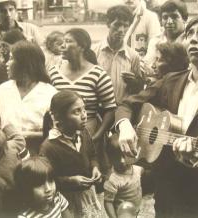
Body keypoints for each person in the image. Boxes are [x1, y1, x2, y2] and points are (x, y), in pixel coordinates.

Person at [115, 15, 198, 218]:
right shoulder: (171, 80)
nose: (193, 39)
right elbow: (128, 103)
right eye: (190, 34)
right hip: (164, 187)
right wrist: (125, 125)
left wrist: (195, 158)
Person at [48, 28, 116, 155]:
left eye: (68, 41)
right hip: (59, 139)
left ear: (82, 46)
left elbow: (110, 109)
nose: (62, 46)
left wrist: (96, 137)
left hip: (88, 135)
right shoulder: (54, 72)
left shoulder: (98, 75)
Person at [39, 90, 102, 218]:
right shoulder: (49, 147)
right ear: (59, 118)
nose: (84, 115)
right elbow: (47, 180)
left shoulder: (84, 133)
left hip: (88, 195)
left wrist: (95, 167)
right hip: (67, 202)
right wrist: (70, 181)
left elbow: (92, 155)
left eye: (84, 109)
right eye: (76, 111)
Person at [0, 41, 57, 155]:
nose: (7, 63)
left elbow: (57, 132)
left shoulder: (50, 94)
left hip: (40, 154)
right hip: (7, 152)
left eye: (12, 59)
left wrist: (27, 136)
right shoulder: (2, 90)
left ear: (26, 64)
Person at [92, 5, 144, 104]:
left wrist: (134, 82)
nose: (121, 30)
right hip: (98, 109)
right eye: (117, 24)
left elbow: (138, 89)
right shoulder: (94, 51)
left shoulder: (133, 56)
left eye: (125, 26)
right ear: (108, 24)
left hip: (121, 109)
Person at [103, 134, 143, 218]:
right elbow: (108, 202)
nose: (122, 161)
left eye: (124, 155)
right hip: (122, 214)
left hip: (134, 211)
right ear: (111, 159)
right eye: (117, 157)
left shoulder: (136, 168)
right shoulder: (112, 180)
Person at [144, 0, 188, 69]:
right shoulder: (155, 41)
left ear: (184, 19)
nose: (169, 21)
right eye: (165, 17)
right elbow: (147, 65)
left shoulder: (190, 40)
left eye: (174, 17)